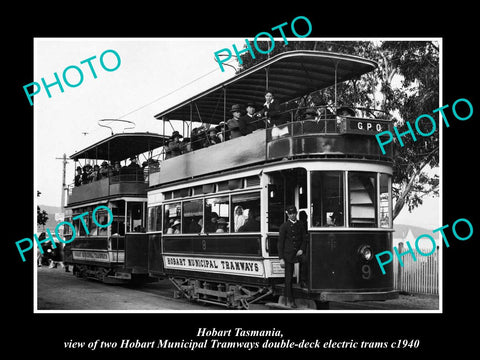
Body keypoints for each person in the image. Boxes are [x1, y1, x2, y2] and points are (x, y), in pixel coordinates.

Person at [277, 205, 307, 308]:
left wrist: (302, 249)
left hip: (298, 253)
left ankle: (303, 281)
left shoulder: (301, 224)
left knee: (306, 260)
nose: (292, 215)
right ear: (287, 214)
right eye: (290, 213)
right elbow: (280, 243)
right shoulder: (284, 226)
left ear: (296, 213)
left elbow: (304, 239)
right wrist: (281, 258)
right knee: (288, 278)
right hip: (288, 255)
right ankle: (290, 300)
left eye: (294, 213)